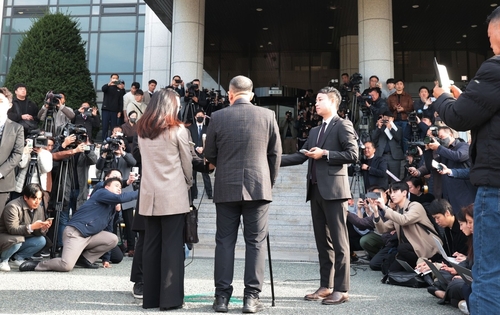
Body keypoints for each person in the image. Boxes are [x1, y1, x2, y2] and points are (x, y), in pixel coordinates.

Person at [431, 7, 500, 314]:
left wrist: (443, 96)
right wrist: (469, 98)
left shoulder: (495, 68)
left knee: (489, 272)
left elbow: (458, 117)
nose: (490, 44)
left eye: (489, 36)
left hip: (496, 185)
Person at [204, 75, 281, 313]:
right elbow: (275, 154)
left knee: (224, 243)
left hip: (226, 185)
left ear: (230, 94)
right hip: (258, 186)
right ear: (252, 94)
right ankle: (251, 297)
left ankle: (221, 298)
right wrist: (269, 181)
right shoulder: (267, 115)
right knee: (255, 243)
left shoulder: (218, 116)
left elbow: (210, 153)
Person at [281, 86, 357, 305]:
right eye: (315, 100)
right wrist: (271, 160)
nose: (315, 103)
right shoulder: (314, 131)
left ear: (333, 102)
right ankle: (326, 285)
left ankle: (342, 289)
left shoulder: (343, 125)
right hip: (315, 191)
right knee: (323, 243)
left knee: (340, 243)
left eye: (320, 99)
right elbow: (300, 156)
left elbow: (353, 154)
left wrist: (325, 154)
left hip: (334, 192)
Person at [136, 88, 193, 310]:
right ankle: (170, 299)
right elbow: (186, 163)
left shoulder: (141, 130)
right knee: (172, 246)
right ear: (170, 106)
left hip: (149, 194)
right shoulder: (178, 130)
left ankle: (150, 298)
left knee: (150, 245)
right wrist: (188, 182)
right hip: (173, 194)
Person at [19, 177, 137, 272]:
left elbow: (109, 228)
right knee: (66, 266)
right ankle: (38, 265)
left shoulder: (110, 208)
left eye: (121, 187)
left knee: (112, 239)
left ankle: (84, 259)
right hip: (76, 233)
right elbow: (120, 197)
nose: (119, 189)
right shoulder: (101, 192)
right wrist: (141, 192)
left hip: (90, 236)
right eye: (116, 186)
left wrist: (106, 259)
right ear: (106, 187)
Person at [372, 181, 440, 271]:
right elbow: (383, 229)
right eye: (391, 192)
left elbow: (404, 220)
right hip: (410, 249)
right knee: (388, 270)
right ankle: (415, 267)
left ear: (404, 193)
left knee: (402, 248)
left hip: (426, 247)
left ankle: (422, 265)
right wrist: (376, 213)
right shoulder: (397, 211)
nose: (392, 195)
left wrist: (385, 207)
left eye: (395, 192)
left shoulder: (415, 206)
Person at [0, 184, 50, 271]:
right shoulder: (13, 206)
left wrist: (42, 228)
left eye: (39, 199)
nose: (37, 202)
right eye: (34, 198)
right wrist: (31, 227)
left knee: (41, 240)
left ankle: (17, 258)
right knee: (18, 239)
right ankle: (3, 260)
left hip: (22, 237)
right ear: (25, 197)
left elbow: (36, 232)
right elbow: (12, 229)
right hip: (5, 237)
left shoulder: (39, 208)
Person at [0, 87, 24, 211]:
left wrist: (1, 172)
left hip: (3, 183)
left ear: (9, 105)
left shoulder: (17, 128)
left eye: (0, 101)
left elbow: (17, 153)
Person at [188, 109, 212, 201]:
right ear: (195, 117)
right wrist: (195, 148)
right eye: (198, 116)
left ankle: (209, 193)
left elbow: (210, 140)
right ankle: (194, 194)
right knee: (193, 175)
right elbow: (189, 140)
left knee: (205, 174)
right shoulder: (190, 128)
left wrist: (203, 148)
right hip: (193, 153)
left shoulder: (208, 128)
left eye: (202, 116)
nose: (200, 117)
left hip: (204, 153)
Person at [101, 74, 126, 140]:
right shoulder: (107, 87)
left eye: (116, 78)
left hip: (114, 111)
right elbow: (103, 89)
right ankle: (104, 140)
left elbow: (120, 102)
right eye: (113, 78)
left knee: (113, 127)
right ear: (110, 78)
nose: (114, 79)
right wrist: (110, 83)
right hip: (106, 109)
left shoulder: (119, 90)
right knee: (105, 126)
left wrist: (120, 111)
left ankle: (113, 141)